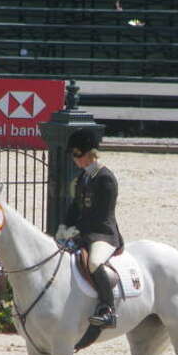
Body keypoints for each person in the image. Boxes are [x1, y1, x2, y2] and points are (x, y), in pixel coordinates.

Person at [56, 128, 123, 329]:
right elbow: (75, 207)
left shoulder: (105, 178)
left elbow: (100, 215)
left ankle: (107, 309)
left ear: (90, 154)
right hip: (85, 232)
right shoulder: (84, 177)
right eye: (74, 156)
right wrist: (63, 228)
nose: (75, 160)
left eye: (78, 155)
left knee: (93, 262)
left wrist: (77, 233)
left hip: (103, 233)